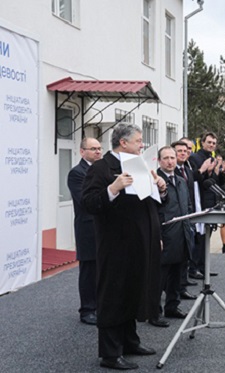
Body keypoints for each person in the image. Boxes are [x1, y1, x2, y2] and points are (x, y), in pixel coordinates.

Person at [82, 123, 166, 370]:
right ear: (123, 143)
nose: (142, 145)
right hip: (116, 245)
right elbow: (89, 203)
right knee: (114, 295)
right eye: (139, 140)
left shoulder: (141, 165)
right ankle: (110, 354)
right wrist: (113, 188)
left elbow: (152, 205)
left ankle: (130, 341)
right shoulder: (101, 168)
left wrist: (161, 188)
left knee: (134, 291)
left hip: (141, 242)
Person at [155, 146, 193, 323]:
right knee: (159, 277)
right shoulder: (154, 180)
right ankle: (154, 312)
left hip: (182, 233)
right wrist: (157, 235)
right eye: (166, 158)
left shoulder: (181, 180)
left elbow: (188, 205)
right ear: (159, 161)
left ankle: (172, 306)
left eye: (172, 157)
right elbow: (153, 211)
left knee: (177, 275)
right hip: (165, 233)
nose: (170, 161)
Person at [67, 137, 103, 325]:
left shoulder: (102, 170)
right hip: (88, 228)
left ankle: (99, 306)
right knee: (89, 270)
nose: (98, 152)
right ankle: (87, 309)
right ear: (82, 152)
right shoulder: (77, 173)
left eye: (99, 148)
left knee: (102, 269)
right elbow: (85, 201)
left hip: (104, 227)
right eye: (93, 149)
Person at [187, 133, 224, 277]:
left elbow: (214, 181)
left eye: (214, 143)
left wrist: (218, 172)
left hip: (210, 200)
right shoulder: (195, 158)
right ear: (202, 142)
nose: (211, 145)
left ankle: (203, 266)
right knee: (199, 236)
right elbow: (196, 180)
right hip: (199, 200)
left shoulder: (212, 158)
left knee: (206, 237)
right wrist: (205, 171)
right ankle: (194, 267)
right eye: (209, 142)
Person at [171, 141, 198, 299]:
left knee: (184, 255)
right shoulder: (168, 171)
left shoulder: (187, 170)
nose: (183, 153)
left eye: (185, 151)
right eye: (179, 151)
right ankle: (171, 291)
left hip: (187, 216)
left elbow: (189, 196)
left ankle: (181, 287)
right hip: (173, 222)